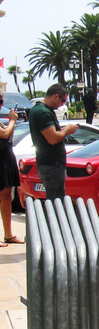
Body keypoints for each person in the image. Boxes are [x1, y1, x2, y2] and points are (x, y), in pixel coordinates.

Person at [29, 83, 79, 200]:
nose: (62, 105)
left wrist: (64, 130)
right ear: (56, 96)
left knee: (54, 199)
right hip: (52, 164)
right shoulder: (43, 112)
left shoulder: (39, 109)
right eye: (63, 101)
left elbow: (49, 133)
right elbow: (53, 139)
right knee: (55, 201)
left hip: (48, 163)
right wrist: (67, 130)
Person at [0, 94, 23, 246]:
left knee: (7, 195)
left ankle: (8, 234)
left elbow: (8, 136)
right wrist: (12, 121)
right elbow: (4, 134)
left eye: (1, 101)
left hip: (6, 159)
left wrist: (11, 123)